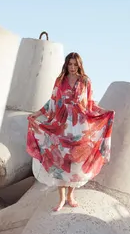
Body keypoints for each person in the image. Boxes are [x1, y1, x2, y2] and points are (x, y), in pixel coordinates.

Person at [26, 52, 114, 211]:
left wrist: (105, 113)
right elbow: (52, 101)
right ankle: (60, 199)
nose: (72, 67)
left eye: (75, 64)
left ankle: (70, 196)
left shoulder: (85, 81)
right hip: (61, 124)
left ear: (79, 65)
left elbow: (89, 103)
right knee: (60, 160)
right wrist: (38, 114)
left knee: (75, 162)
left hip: (80, 126)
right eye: (70, 64)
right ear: (66, 65)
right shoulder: (60, 81)